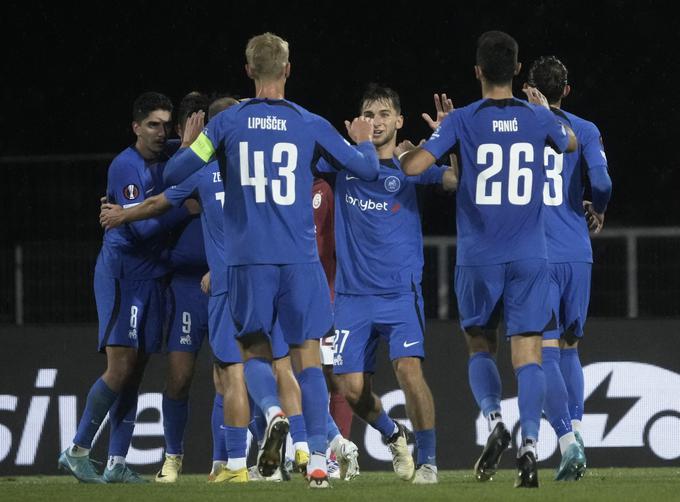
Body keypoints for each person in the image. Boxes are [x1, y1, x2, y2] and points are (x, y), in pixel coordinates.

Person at [162, 32, 380, 488]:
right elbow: (366, 169)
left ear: (247, 71)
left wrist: (189, 143)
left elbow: (174, 174)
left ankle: (276, 411)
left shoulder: (225, 126)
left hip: (248, 264)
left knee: (253, 354)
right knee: (307, 357)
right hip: (300, 262)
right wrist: (360, 141)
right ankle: (318, 458)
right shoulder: (309, 122)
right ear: (287, 69)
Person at [399, 31, 577, 488]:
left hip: (478, 257)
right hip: (529, 257)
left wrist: (423, 142)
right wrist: (543, 110)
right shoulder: (537, 118)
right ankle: (531, 448)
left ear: (477, 71)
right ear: (518, 70)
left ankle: (495, 419)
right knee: (530, 355)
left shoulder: (460, 120)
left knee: (480, 345)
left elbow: (415, 168)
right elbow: (570, 142)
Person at [100, 95, 309, 483]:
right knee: (273, 365)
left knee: (230, 371)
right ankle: (299, 449)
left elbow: (160, 200)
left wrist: (121, 213)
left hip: (223, 282)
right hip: (256, 280)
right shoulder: (257, 168)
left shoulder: (201, 169)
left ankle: (236, 461)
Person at [58, 92, 194, 483]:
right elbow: (140, 227)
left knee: (135, 371)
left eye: (166, 124)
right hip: (124, 275)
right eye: (152, 124)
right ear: (136, 127)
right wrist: (183, 208)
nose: (161, 132)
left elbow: (192, 146)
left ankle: (117, 462)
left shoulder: (170, 152)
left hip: (152, 278)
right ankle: (77, 450)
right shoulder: (125, 166)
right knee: (119, 367)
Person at [329, 84, 457, 485]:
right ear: (357, 123)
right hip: (351, 297)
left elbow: (455, 181)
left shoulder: (410, 167)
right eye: (368, 114)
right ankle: (392, 434)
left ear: (399, 121)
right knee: (350, 390)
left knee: (408, 372)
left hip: (400, 294)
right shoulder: (340, 165)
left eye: (384, 114)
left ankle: (430, 462)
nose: (376, 121)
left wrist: (450, 138)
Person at [526, 55, 612, 480]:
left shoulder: (520, 125)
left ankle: (565, 439)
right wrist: (598, 207)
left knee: (542, 352)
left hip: (534, 252)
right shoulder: (587, 129)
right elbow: (603, 183)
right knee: (571, 348)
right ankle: (578, 433)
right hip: (577, 250)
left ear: (531, 90)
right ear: (567, 90)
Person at [155, 91, 211, 483]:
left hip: (226, 282)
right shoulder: (169, 161)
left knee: (237, 375)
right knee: (178, 376)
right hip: (187, 287)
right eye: (190, 124)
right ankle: (172, 457)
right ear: (179, 129)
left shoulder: (229, 156)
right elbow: (157, 201)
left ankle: (233, 462)